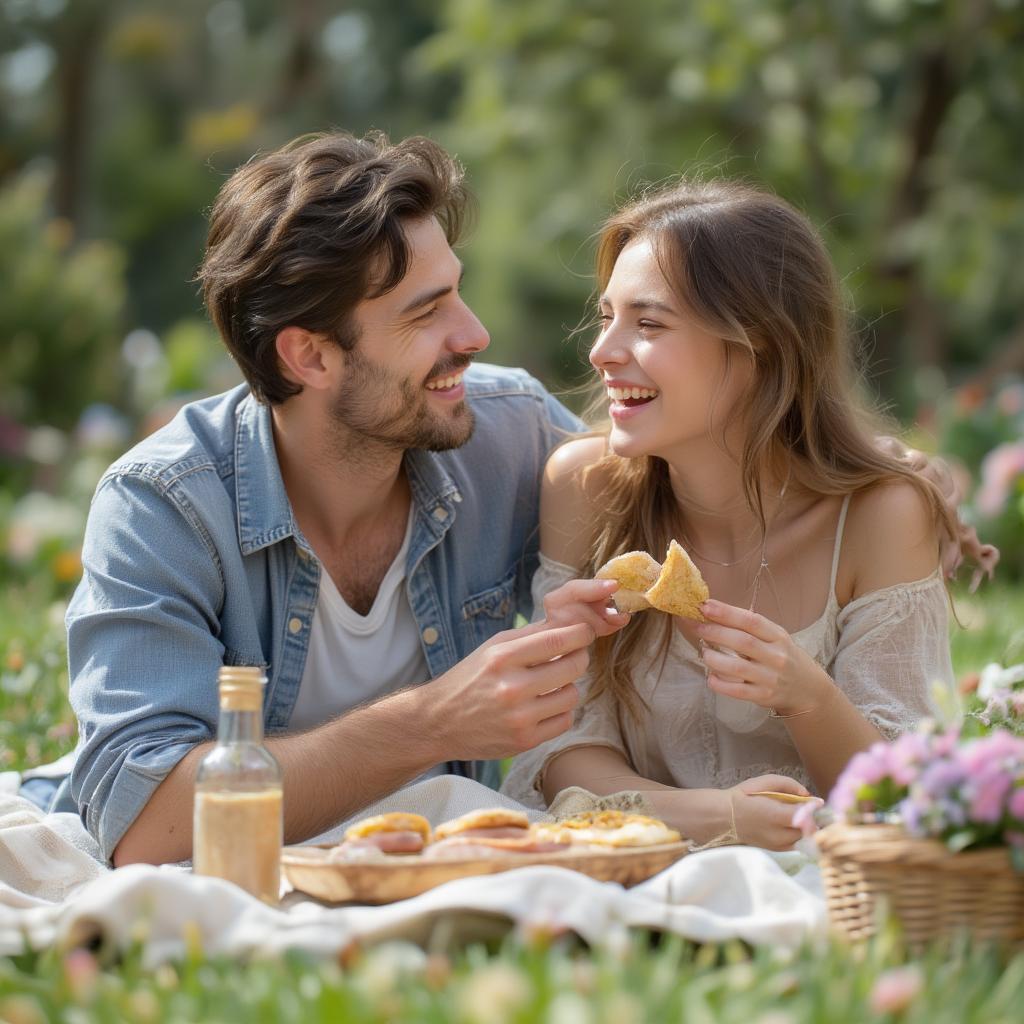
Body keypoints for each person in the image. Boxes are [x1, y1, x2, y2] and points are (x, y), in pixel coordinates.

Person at [47, 131, 627, 866]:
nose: (474, 333)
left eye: (459, 290)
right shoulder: (164, 505)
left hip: (437, 870)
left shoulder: (514, 433)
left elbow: (691, 540)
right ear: (310, 356)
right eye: (427, 312)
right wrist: (433, 722)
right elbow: (147, 825)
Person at [502, 179, 970, 850]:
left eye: (648, 323)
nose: (602, 351)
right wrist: (711, 815)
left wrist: (809, 698)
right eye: (606, 316)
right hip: (634, 863)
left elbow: (905, 796)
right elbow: (563, 749)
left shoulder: (881, 518)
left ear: (761, 346)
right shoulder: (586, 486)